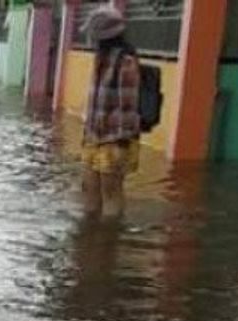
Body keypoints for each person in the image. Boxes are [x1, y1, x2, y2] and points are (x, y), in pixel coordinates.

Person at [80, 6, 141, 221]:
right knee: (88, 188)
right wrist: (86, 132)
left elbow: (128, 105)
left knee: (111, 192)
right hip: (93, 136)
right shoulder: (100, 59)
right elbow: (94, 101)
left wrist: (122, 141)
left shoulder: (125, 62)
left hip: (115, 138)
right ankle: (90, 241)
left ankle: (108, 242)